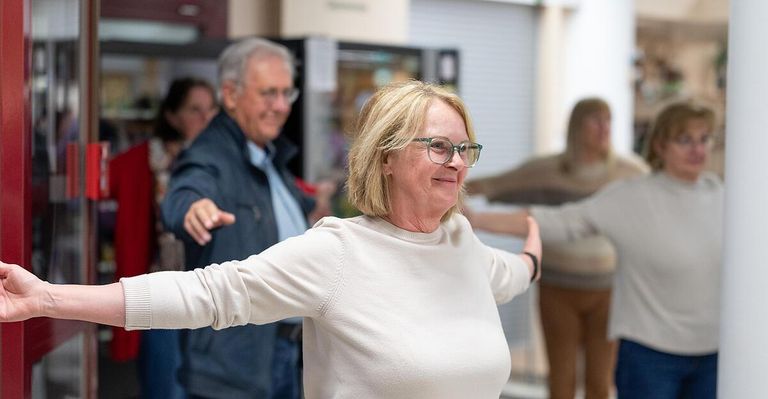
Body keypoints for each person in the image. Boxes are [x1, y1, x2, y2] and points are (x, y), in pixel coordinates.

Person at [0, 80, 541, 399]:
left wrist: (536, 251)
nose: (456, 164)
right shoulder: (338, 253)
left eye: (465, 150)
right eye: (439, 147)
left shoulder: (460, 243)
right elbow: (208, 294)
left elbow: (510, 274)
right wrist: (47, 298)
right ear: (386, 156)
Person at [468, 102, 722, 399]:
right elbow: (556, 220)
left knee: (598, 383)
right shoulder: (632, 195)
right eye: (684, 140)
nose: (697, 149)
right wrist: (475, 219)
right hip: (649, 352)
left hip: (712, 352)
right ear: (660, 145)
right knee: (563, 378)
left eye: (704, 139)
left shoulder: (723, 196)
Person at [159, 38, 334, 399]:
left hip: (284, 354)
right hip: (231, 368)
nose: (282, 106)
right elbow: (185, 191)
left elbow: (274, 215)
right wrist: (192, 208)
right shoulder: (211, 153)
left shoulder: (267, 155)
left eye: (288, 93)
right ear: (231, 94)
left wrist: (313, 207)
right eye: (269, 93)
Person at [465, 98, 648, 399]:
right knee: (561, 380)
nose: (604, 129)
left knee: (600, 381)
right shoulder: (548, 170)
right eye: (594, 120)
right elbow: (496, 184)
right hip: (558, 290)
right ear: (577, 127)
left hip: (608, 291)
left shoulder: (629, 174)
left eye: (608, 120)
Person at [108, 77, 217, 398]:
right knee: (166, 386)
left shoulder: (218, 159)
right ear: (172, 116)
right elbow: (96, 179)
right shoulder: (144, 160)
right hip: (160, 292)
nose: (206, 118)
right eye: (195, 110)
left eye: (211, 110)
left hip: (209, 289)